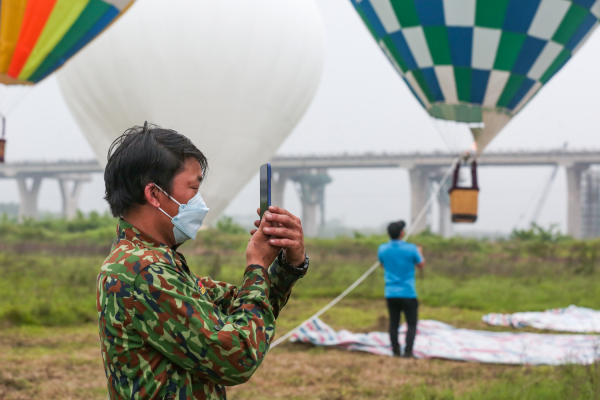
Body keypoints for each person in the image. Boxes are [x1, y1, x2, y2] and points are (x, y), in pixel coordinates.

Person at [97, 123, 309, 400]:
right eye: (193, 189)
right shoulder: (146, 270)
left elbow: (237, 304)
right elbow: (236, 357)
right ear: (154, 195)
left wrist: (289, 264)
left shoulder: (149, 259)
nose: (199, 201)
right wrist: (256, 266)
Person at [378, 221, 425, 358]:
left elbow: (382, 264)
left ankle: (396, 351)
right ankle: (408, 352)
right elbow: (421, 265)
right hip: (408, 292)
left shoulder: (382, 249)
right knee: (411, 323)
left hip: (391, 293)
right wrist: (420, 253)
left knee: (394, 323)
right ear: (402, 233)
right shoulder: (412, 249)